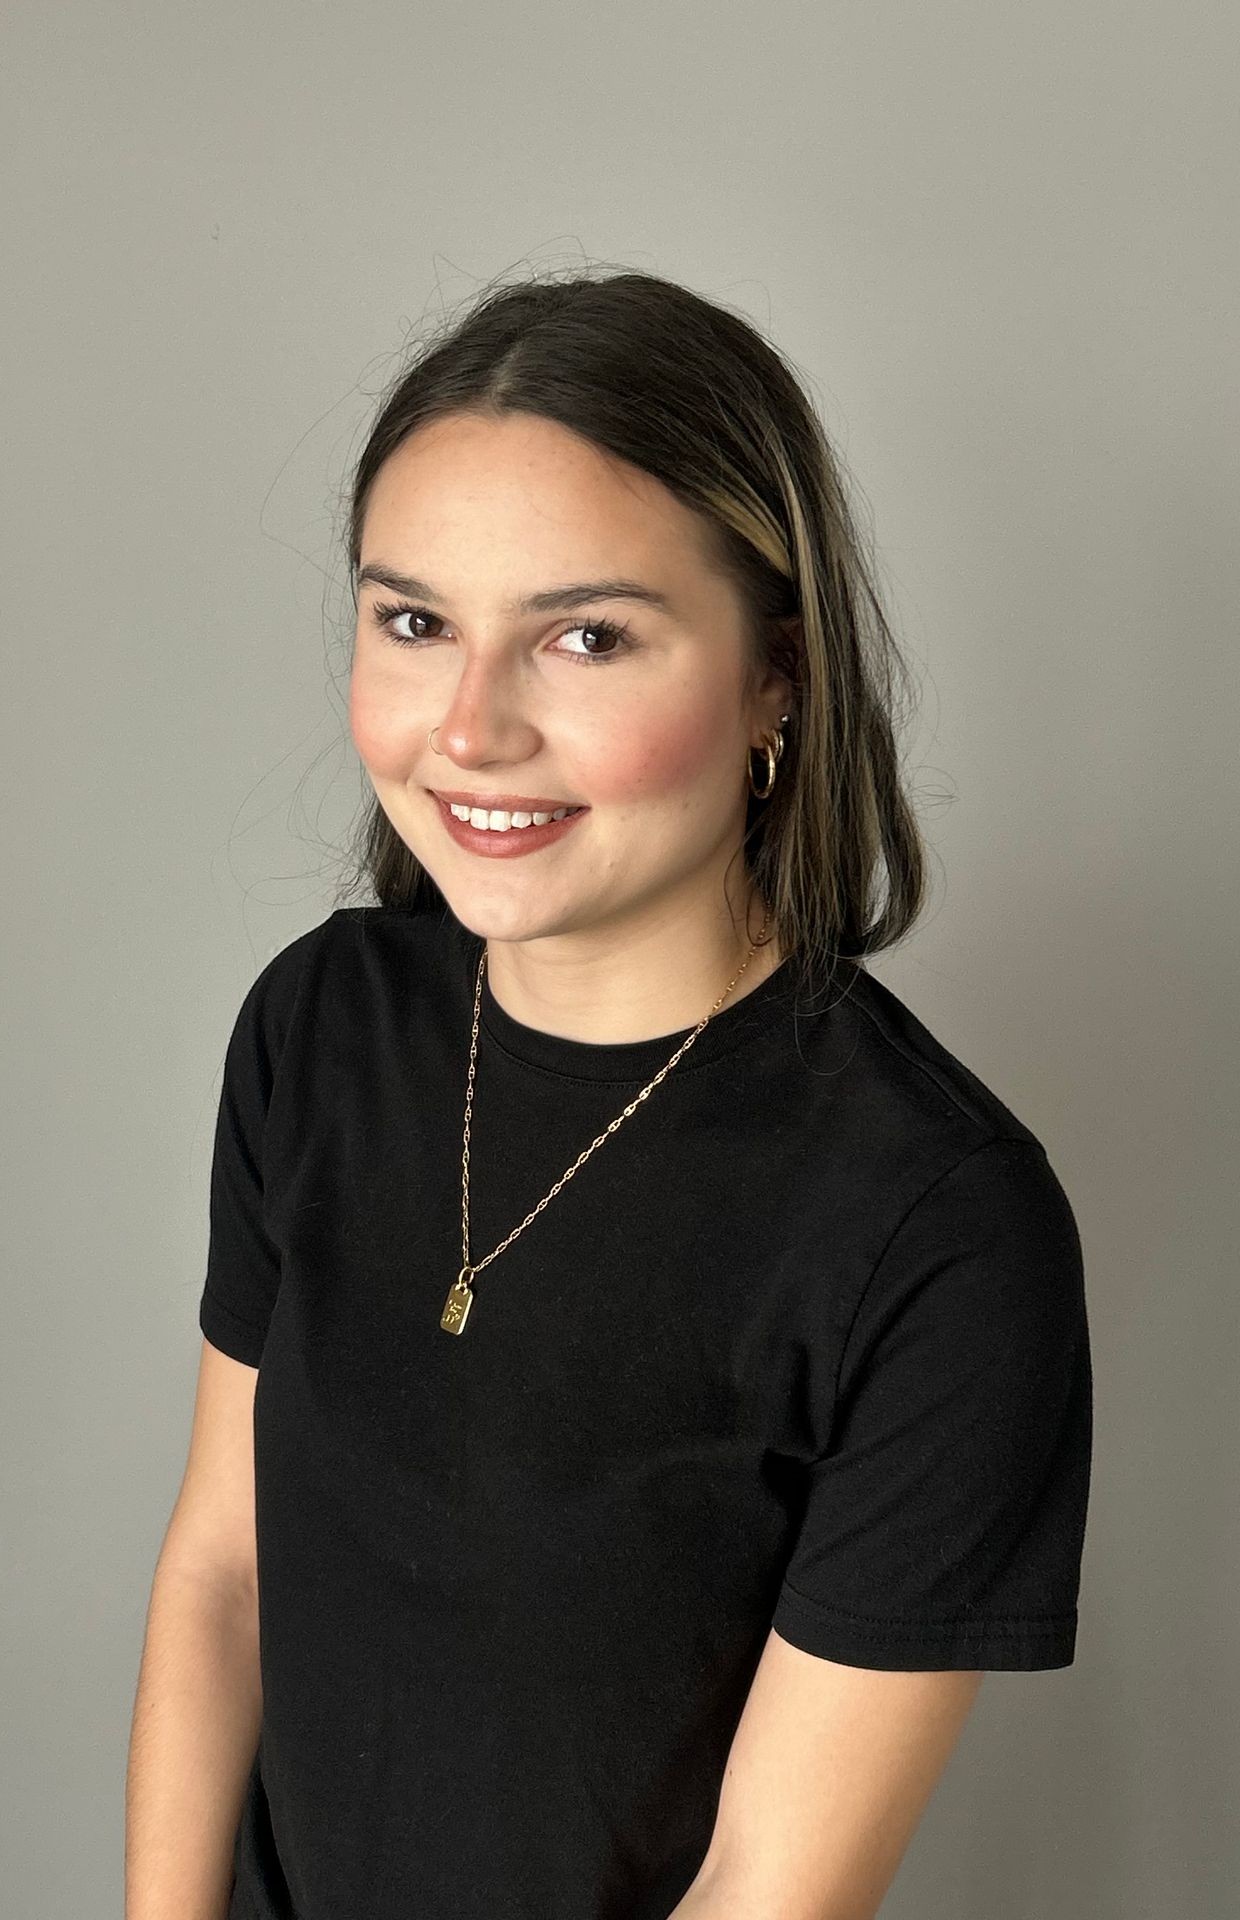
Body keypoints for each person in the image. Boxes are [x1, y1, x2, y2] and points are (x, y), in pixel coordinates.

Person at [125, 270, 1093, 1920]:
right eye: (414, 621)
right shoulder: (318, 1029)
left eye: (586, 636)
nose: (472, 729)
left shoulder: (939, 1224)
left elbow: (763, 1895)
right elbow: (225, 1575)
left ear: (776, 678)